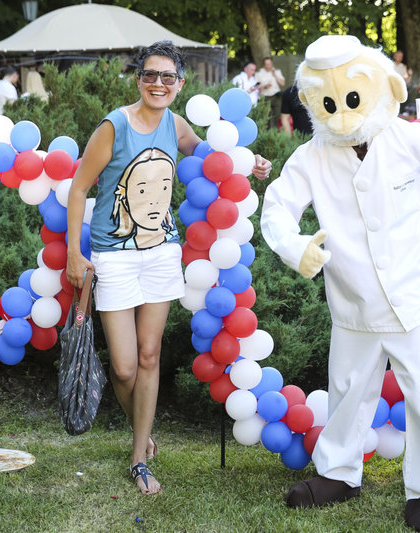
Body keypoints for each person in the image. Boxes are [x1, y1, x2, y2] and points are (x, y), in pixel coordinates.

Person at [261, 35, 420, 532]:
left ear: (383, 87)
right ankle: (338, 472)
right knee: (347, 388)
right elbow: (276, 207)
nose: (341, 113)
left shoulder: (410, 139)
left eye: (351, 98)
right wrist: (293, 245)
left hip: (414, 296)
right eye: (328, 102)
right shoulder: (312, 156)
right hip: (353, 299)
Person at [66, 40, 271, 497]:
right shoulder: (114, 127)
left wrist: (247, 163)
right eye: (150, 75)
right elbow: (79, 188)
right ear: (139, 79)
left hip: (162, 254)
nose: (158, 83)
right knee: (122, 368)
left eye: (167, 77)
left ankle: (139, 456)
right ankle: (140, 427)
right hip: (114, 257)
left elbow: (211, 158)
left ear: (179, 85)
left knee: (149, 356)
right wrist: (73, 254)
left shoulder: (176, 124)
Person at [255, 57, 285, 129]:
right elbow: (256, 86)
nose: (268, 66)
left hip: (276, 96)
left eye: (270, 64)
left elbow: (282, 83)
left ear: (272, 63)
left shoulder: (277, 71)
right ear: (264, 65)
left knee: (277, 115)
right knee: (266, 116)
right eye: (266, 64)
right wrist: (264, 87)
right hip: (265, 97)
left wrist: (275, 75)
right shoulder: (259, 73)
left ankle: (276, 132)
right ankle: (267, 132)